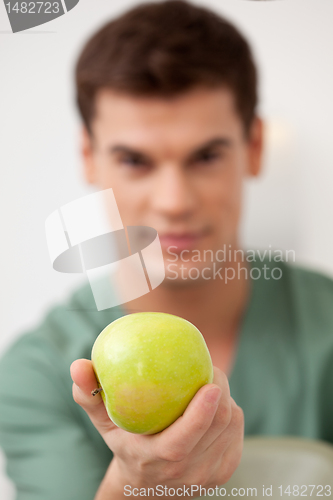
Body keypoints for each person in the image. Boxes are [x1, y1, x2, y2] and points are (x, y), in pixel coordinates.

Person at [1, 1, 333, 499]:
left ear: (256, 147)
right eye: (135, 160)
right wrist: (134, 487)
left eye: (206, 156)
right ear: (89, 158)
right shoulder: (39, 375)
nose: (174, 202)